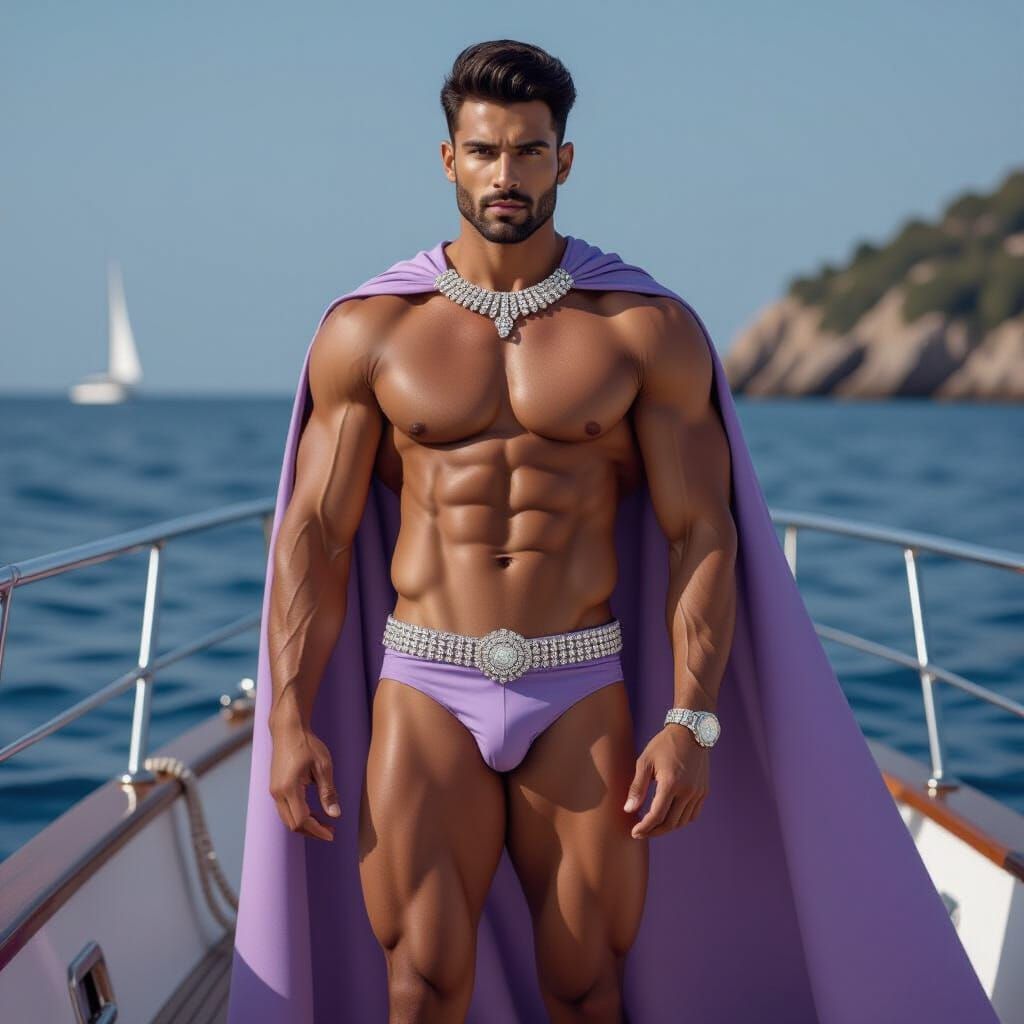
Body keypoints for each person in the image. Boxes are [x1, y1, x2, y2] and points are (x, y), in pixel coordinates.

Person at [227, 38, 1000, 1024]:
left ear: (565, 159)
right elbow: (315, 536)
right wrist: (290, 715)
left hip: (577, 680)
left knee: (589, 984)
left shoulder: (641, 329)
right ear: (447, 158)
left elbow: (701, 534)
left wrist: (690, 719)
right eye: (484, 150)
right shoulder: (370, 332)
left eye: (529, 151)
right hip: (426, 677)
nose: (505, 174)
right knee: (419, 982)